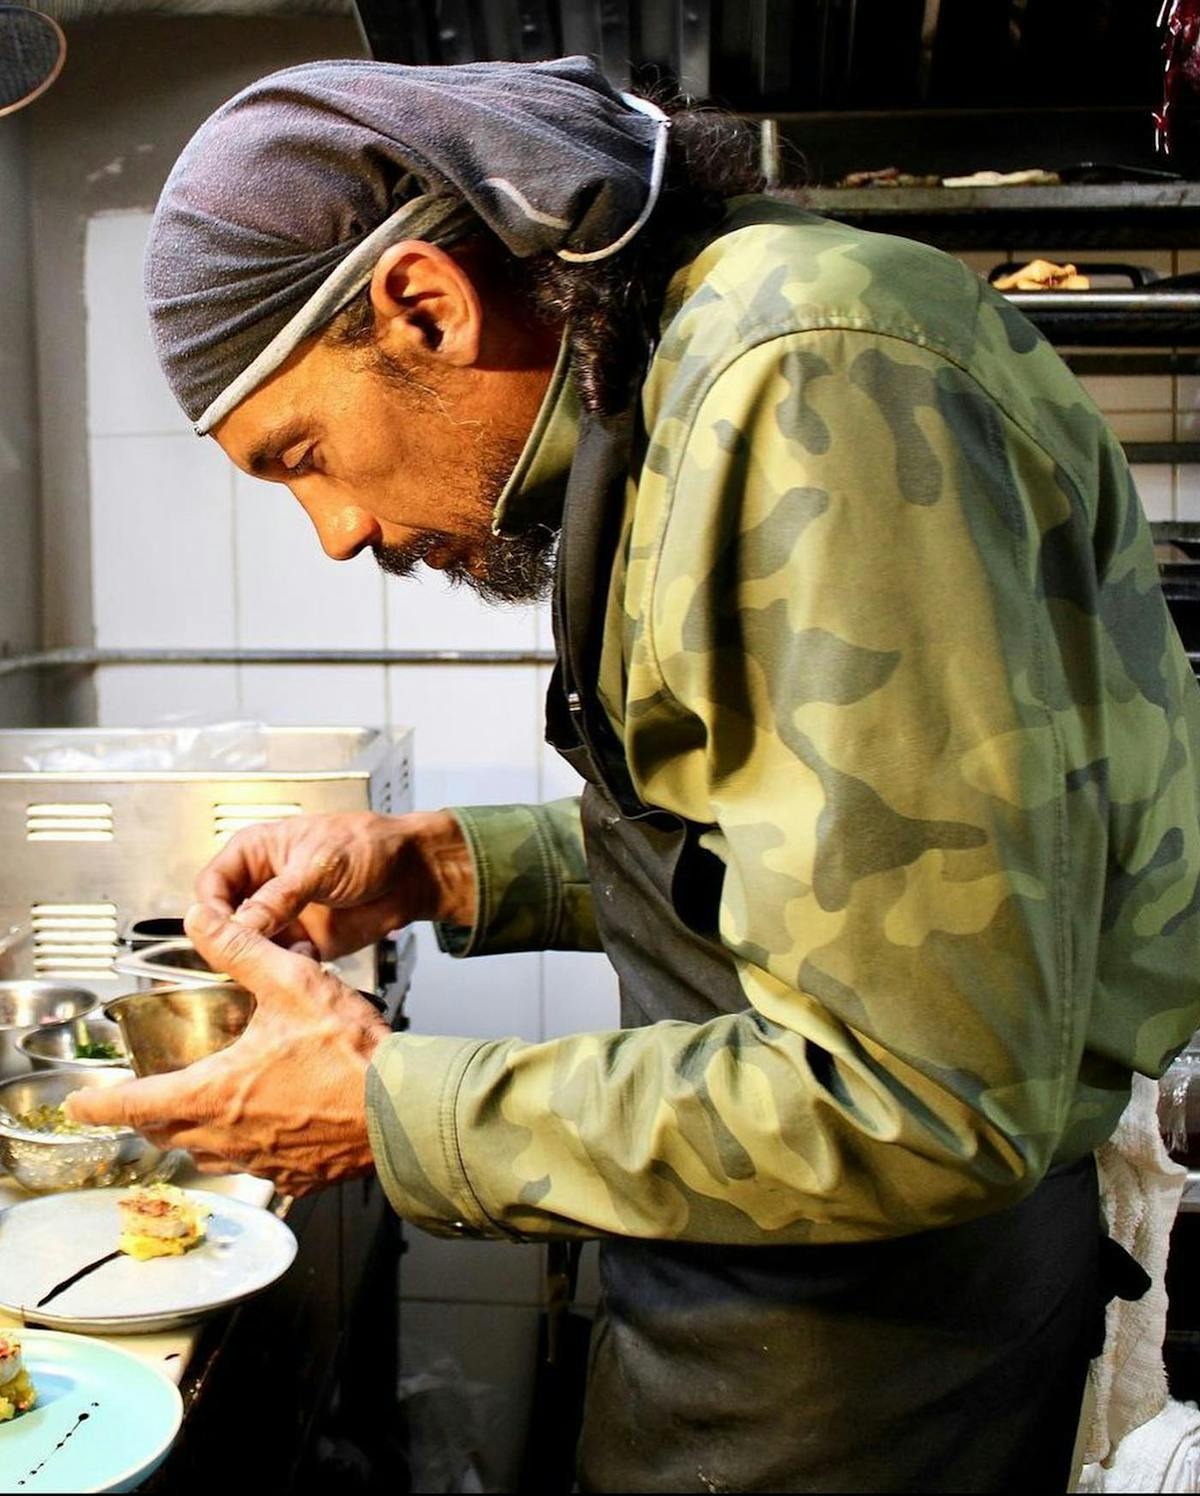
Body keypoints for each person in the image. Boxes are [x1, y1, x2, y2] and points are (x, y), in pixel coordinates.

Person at [66, 55, 1200, 1493]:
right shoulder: (681, 378)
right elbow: (807, 853)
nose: (337, 531)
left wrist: (390, 1106)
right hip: (773, 1296)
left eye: (305, 456)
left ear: (426, 303)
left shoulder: (801, 381)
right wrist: (448, 863)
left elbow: (920, 1091)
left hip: (867, 1358)